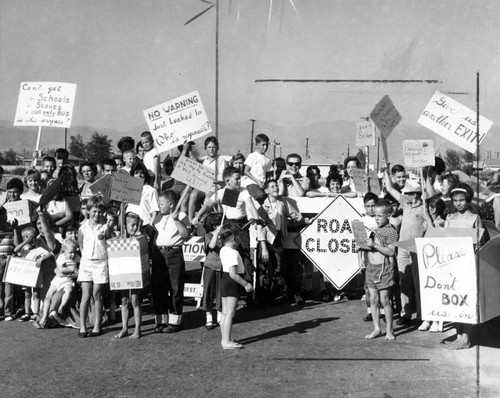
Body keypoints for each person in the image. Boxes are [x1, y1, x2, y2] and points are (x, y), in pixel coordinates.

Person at [443, 184, 482, 350]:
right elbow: (443, 240)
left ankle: (466, 338)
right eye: (455, 201)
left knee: (466, 301)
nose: (458, 203)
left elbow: (479, 242)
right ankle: (459, 336)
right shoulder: (450, 218)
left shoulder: (474, 218)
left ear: (468, 200)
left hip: (468, 262)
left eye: (461, 200)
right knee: (455, 300)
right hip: (452, 262)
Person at [384, 170, 425, 325]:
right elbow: (390, 189)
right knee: (404, 282)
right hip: (402, 248)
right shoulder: (405, 204)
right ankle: (406, 313)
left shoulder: (424, 208)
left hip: (416, 248)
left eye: (408, 193)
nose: (405, 195)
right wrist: (387, 171)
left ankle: (422, 314)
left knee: (418, 283)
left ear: (415, 194)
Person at [358, 200, 398, 340]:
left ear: (389, 215)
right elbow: (371, 248)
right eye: (375, 215)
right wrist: (361, 246)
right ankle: (377, 328)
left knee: (385, 300)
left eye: (380, 216)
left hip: (383, 270)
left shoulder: (391, 231)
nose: (377, 218)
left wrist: (374, 244)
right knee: (373, 300)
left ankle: (389, 330)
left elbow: (390, 252)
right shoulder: (374, 231)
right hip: (371, 269)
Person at [151, 190, 190, 333]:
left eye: (162, 204)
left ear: (171, 204)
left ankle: (174, 321)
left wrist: (177, 220)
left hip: (174, 253)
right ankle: (160, 320)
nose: (159, 206)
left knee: (175, 288)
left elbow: (186, 235)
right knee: (159, 288)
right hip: (158, 254)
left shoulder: (182, 216)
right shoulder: (157, 218)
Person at [77, 196, 113, 337]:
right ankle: (82, 326)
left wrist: (108, 230)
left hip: (100, 263)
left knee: (97, 295)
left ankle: (97, 325)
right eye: (94, 211)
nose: (97, 214)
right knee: (85, 295)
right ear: (89, 211)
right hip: (86, 263)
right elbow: (81, 245)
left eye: (99, 212)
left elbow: (110, 243)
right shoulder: (82, 227)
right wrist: (85, 258)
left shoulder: (104, 227)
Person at [219, 223, 254, 349]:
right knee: (230, 313)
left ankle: (224, 338)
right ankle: (227, 341)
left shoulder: (223, 249)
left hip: (224, 280)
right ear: (233, 237)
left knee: (224, 312)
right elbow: (234, 274)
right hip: (231, 282)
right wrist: (246, 284)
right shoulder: (233, 253)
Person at [32, 237, 79, 328]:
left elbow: (80, 268)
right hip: (58, 280)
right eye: (70, 252)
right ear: (64, 250)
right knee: (48, 296)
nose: (72, 255)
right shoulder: (61, 257)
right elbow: (61, 270)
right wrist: (72, 269)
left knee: (66, 291)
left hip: (68, 281)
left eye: (74, 252)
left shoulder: (77, 257)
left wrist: (77, 272)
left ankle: (60, 308)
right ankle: (44, 316)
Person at [114, 212, 145, 339]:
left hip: (135, 273)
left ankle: (137, 329)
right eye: (132, 225)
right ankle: (124, 328)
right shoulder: (119, 238)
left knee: (135, 300)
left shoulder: (140, 237)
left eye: (137, 225)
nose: (135, 227)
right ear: (124, 226)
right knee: (124, 300)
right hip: (123, 273)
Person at [201, 213, 224, 330]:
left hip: (222, 267)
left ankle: (220, 316)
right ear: (215, 225)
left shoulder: (225, 236)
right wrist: (216, 234)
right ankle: (208, 317)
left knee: (221, 292)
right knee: (208, 291)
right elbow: (212, 245)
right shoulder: (208, 235)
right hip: (210, 267)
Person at [125, 162, 160, 234]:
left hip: (144, 225)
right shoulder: (128, 189)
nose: (139, 175)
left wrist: (151, 224)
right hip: (129, 225)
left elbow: (155, 210)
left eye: (141, 173)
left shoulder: (151, 190)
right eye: (136, 173)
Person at [0, 207, 20, 321]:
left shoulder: (10, 227)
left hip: (9, 258)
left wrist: (15, 229)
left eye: (4, 216)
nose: (3, 219)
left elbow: (16, 245)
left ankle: (8, 312)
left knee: (9, 287)